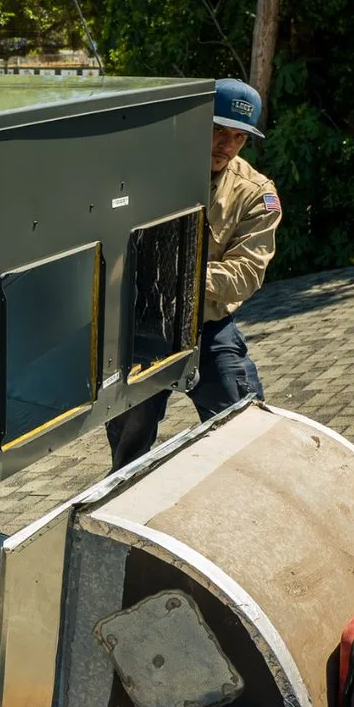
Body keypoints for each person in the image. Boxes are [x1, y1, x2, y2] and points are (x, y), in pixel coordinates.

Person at [106, 78, 282, 471]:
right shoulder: (147, 175)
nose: (227, 145)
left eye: (239, 137)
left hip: (208, 327)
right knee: (129, 449)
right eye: (219, 130)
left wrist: (178, 275)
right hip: (143, 329)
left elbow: (246, 273)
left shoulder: (255, 193)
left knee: (244, 428)